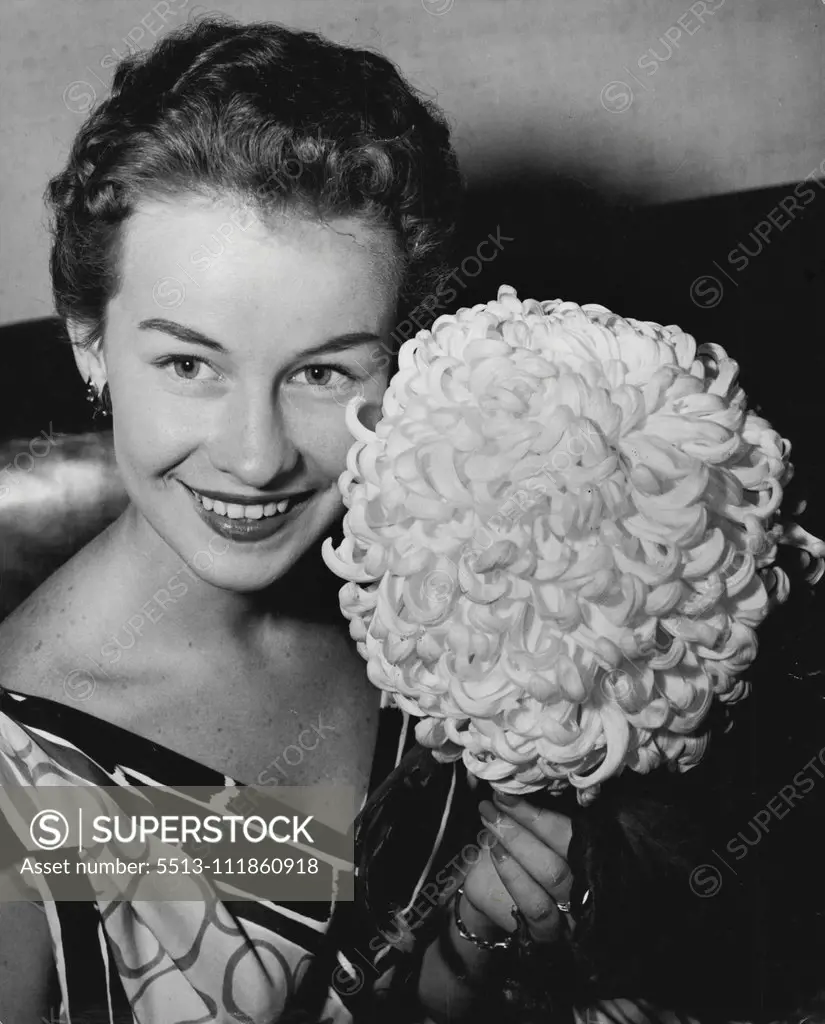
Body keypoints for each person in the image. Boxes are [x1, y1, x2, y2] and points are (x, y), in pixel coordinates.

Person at [0, 15, 584, 1024]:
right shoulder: (25, 804)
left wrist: (480, 944)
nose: (258, 454)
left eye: (322, 371)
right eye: (190, 364)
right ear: (91, 342)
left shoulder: (440, 584)